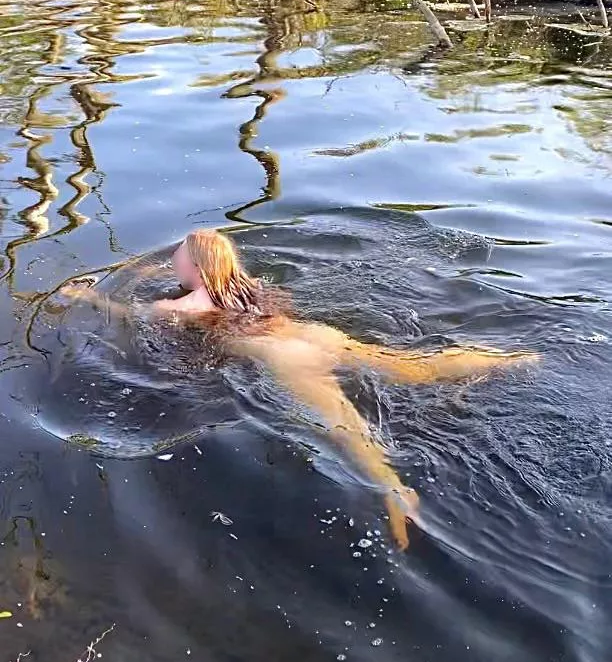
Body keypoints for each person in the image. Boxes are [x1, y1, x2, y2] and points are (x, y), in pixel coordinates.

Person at [61, 228, 539, 549]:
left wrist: (89, 296)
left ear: (197, 271)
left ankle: (395, 488)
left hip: (286, 360)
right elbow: (213, 286)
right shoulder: (250, 288)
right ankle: (502, 360)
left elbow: (130, 315)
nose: (171, 263)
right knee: (411, 367)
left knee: (343, 426)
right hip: (312, 335)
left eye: (177, 260)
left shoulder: (176, 310)